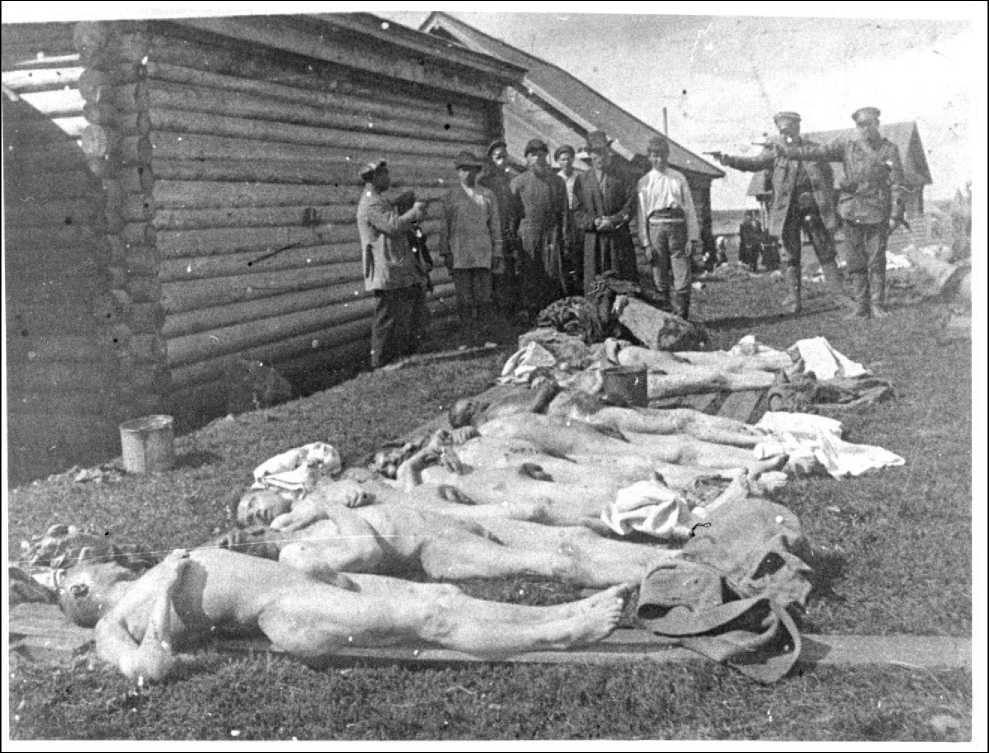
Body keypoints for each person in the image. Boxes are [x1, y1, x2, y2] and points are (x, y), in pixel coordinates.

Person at [55, 544, 627, 683]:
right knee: (430, 619)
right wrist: (165, 589)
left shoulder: (142, 573)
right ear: (82, 592)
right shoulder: (110, 625)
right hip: (287, 610)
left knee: (443, 597)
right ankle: (564, 633)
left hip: (300, 585)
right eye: (90, 565)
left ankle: (565, 611)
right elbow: (149, 670)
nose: (101, 558)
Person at [710, 112, 847, 314]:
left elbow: (828, 176)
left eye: (790, 130)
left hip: (813, 208)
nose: (786, 135)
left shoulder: (813, 149)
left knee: (824, 249)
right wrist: (728, 159)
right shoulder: (775, 153)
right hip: (787, 211)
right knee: (791, 254)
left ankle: (839, 295)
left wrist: (826, 200)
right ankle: (794, 300)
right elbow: (753, 164)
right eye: (783, 131)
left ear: (798, 128)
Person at [776, 107, 906, 319]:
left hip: (877, 211)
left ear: (877, 124)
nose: (865, 128)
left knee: (876, 261)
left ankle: (877, 305)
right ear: (856, 126)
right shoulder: (847, 145)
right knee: (855, 262)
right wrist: (789, 152)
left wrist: (895, 216)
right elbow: (818, 152)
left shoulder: (888, 150)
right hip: (850, 210)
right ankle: (861, 307)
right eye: (861, 124)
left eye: (870, 123)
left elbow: (898, 185)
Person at [356, 160, 430, 369]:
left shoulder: (377, 200)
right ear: (373, 178)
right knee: (386, 315)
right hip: (384, 268)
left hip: (391, 266)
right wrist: (414, 211)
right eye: (384, 174)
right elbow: (393, 226)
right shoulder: (371, 203)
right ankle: (381, 362)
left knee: (399, 312)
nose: (388, 178)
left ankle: (398, 355)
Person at [439, 151, 504, 345]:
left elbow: (495, 226)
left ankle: (486, 336)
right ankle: (467, 338)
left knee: (484, 297)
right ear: (458, 172)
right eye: (464, 169)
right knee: (464, 299)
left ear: (477, 172)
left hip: (482, 254)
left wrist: (497, 252)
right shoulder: (451, 196)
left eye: (472, 169)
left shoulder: (487, 195)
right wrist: (446, 252)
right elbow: (444, 227)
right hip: (460, 255)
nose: (468, 173)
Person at [636, 136, 701, 319]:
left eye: (662, 155)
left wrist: (692, 238)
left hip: (677, 228)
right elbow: (642, 214)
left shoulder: (678, 178)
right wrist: (646, 243)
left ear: (667, 155)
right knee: (659, 272)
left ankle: (682, 316)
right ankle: (664, 317)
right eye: (655, 156)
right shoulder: (645, 182)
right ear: (649, 157)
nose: (659, 159)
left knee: (682, 273)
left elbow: (689, 208)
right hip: (655, 228)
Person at [510, 139, 569, 321]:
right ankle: (532, 315)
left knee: (552, 275)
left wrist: (563, 237)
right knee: (530, 275)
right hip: (528, 236)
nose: (538, 158)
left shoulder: (557, 182)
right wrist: (514, 240)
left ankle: (552, 315)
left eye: (541, 154)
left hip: (551, 236)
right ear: (527, 158)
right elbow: (512, 215)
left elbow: (564, 213)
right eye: (533, 155)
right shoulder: (518, 182)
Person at [576, 130, 639, 295]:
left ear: (608, 153)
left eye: (603, 152)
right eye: (596, 153)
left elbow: (630, 205)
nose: (600, 157)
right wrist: (593, 222)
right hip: (593, 240)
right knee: (595, 287)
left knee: (621, 284)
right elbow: (577, 211)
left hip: (617, 239)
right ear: (589, 154)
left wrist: (613, 220)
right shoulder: (582, 180)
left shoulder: (623, 177)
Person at [555, 144, 585, 295]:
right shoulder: (556, 179)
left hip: (576, 215)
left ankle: (579, 281)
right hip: (562, 217)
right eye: (562, 159)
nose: (566, 162)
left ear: (573, 159)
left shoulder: (579, 177)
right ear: (558, 161)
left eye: (568, 159)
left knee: (577, 248)